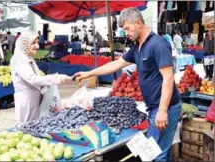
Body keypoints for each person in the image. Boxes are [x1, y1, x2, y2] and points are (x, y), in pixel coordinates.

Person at [74, 7, 181, 162]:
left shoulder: (158, 44)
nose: (126, 33)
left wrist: (163, 111)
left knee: (154, 155)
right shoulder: (137, 47)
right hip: (153, 108)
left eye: (127, 28)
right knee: (161, 150)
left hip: (166, 107)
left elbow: (168, 78)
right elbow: (116, 65)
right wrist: (89, 73)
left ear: (138, 23)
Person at [10, 31, 72, 123]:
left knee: (35, 127)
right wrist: (56, 78)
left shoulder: (27, 58)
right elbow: (33, 79)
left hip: (33, 101)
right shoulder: (20, 61)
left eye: (37, 43)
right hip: (27, 103)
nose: (37, 46)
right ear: (24, 44)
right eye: (33, 43)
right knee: (27, 128)